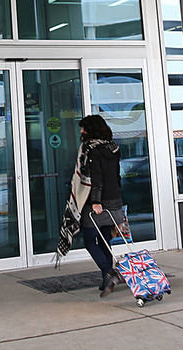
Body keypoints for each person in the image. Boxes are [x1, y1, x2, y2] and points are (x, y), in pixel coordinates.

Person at [54, 114, 125, 298]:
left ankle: (109, 273)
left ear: (90, 130)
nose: (81, 131)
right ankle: (106, 281)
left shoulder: (90, 149)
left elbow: (96, 177)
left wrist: (95, 201)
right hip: (114, 200)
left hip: (96, 203)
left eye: (83, 128)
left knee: (89, 241)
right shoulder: (113, 148)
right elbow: (116, 176)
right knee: (104, 241)